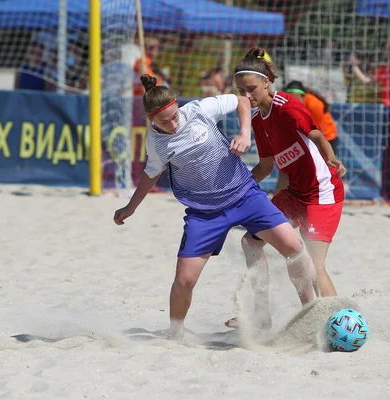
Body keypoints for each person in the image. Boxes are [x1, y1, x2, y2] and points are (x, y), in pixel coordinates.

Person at [113, 74, 317, 340]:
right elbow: (151, 174)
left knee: (294, 248)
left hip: (245, 196)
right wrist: (131, 206)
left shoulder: (197, 110)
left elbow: (242, 101)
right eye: (165, 121)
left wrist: (245, 134)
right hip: (204, 212)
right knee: (185, 281)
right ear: (151, 120)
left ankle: (311, 312)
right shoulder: (156, 143)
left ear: (177, 106)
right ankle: (175, 334)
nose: (174, 123)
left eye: (175, 115)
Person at [225, 48, 346, 329]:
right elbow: (266, 167)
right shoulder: (256, 120)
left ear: (267, 81)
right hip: (294, 193)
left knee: (313, 267)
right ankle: (261, 314)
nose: (247, 97)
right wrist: (234, 191)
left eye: (251, 89)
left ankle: (332, 325)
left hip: (322, 193)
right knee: (250, 241)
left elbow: (316, 133)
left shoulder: (287, 106)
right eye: (241, 92)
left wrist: (330, 156)